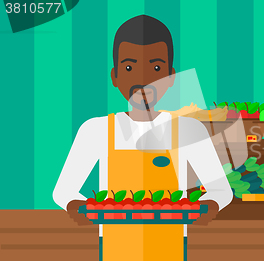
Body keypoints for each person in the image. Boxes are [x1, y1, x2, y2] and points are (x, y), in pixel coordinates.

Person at [53, 15, 233, 261]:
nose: (144, 79)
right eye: (129, 68)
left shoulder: (190, 130)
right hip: (116, 245)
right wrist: (80, 208)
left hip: (170, 244)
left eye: (156, 68)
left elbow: (221, 190)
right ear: (114, 76)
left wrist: (207, 207)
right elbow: (64, 191)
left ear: (171, 77)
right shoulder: (95, 130)